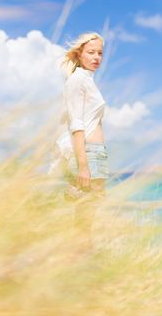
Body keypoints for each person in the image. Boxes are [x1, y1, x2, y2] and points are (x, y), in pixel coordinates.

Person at [53, 32, 109, 245]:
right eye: (91, 52)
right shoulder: (77, 80)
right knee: (86, 213)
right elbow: (76, 124)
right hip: (89, 153)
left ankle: (80, 257)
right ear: (79, 54)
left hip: (96, 153)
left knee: (90, 209)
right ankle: (79, 258)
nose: (96, 58)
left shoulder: (88, 81)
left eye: (100, 53)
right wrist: (83, 165)